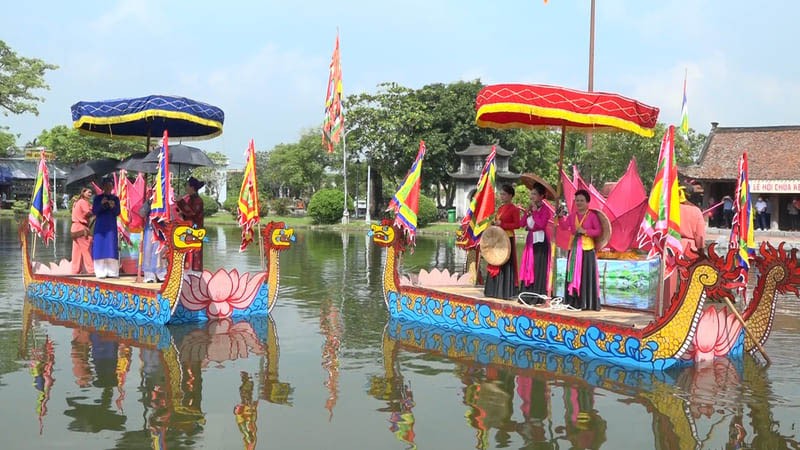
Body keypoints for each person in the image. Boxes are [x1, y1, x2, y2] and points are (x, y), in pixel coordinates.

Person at [558, 189, 602, 311]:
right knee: (572, 276)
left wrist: (586, 231)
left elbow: (598, 231)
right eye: (577, 200)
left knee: (585, 277)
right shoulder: (572, 216)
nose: (579, 203)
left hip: (587, 250)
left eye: (582, 200)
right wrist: (561, 217)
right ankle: (573, 301)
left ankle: (586, 303)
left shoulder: (592, 216)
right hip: (573, 250)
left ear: (587, 202)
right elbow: (564, 227)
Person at [483, 184, 520, 300]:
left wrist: (503, 224)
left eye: (504, 194)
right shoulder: (500, 208)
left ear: (510, 195)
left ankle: (504, 291)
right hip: (497, 238)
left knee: (505, 263)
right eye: (501, 194)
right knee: (494, 260)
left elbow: (517, 225)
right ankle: (493, 290)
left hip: (507, 239)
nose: (501, 196)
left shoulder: (514, 209)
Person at [518, 182, 554, 300]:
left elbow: (541, 224)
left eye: (534, 194)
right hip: (530, 241)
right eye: (531, 193)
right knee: (529, 265)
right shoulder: (530, 207)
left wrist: (534, 212)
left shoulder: (545, 210)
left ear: (541, 196)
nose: (531, 196)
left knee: (538, 267)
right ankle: (527, 294)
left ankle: (538, 295)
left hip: (540, 243)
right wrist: (526, 212)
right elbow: (521, 224)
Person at [92, 177, 121, 278]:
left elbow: (118, 212)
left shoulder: (115, 199)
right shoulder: (97, 198)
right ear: (103, 187)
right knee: (100, 247)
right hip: (100, 226)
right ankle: (100, 272)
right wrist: (101, 204)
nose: (108, 188)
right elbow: (95, 211)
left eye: (110, 186)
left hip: (111, 226)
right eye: (106, 186)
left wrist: (113, 206)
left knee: (111, 247)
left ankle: (113, 272)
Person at [177, 176, 205, 272]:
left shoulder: (198, 200)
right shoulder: (189, 199)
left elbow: (191, 213)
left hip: (195, 230)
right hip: (188, 229)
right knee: (187, 251)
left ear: (192, 188)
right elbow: (186, 213)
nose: (186, 188)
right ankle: (187, 271)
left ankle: (194, 273)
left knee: (194, 253)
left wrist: (180, 202)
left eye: (187, 186)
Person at [139, 188, 166, 283]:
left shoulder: (165, 200)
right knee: (148, 252)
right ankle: (149, 275)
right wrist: (149, 203)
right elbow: (142, 213)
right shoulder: (150, 200)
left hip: (161, 230)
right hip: (150, 229)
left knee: (161, 252)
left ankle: (161, 274)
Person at [70, 187, 94, 274]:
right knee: (86, 250)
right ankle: (91, 270)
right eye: (88, 192)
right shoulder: (83, 202)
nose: (90, 194)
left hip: (74, 228)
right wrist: (96, 212)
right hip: (81, 228)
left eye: (91, 192)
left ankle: (75, 270)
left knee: (77, 251)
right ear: (83, 193)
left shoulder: (77, 202)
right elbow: (88, 213)